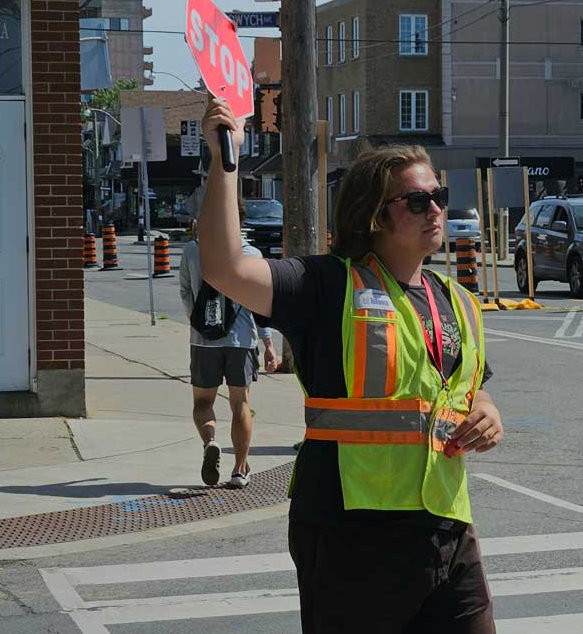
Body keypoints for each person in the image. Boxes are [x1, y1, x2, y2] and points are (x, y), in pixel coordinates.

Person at [197, 96, 504, 633]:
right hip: (350, 533)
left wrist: (486, 409)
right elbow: (225, 267)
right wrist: (227, 161)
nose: (435, 208)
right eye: (416, 200)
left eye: (439, 195)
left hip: (447, 528)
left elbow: (468, 386)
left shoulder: (455, 299)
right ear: (374, 216)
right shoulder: (327, 285)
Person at [178, 198, 278, 489]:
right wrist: (269, 343)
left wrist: (198, 322)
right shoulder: (251, 254)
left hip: (203, 342)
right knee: (240, 403)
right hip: (242, 340)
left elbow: (186, 292)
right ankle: (239, 470)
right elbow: (260, 304)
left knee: (202, 402)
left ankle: (211, 441)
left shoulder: (193, 251)